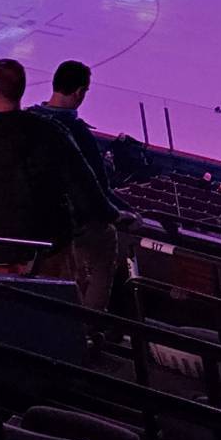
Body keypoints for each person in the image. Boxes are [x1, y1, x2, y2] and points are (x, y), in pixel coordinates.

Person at [0, 58, 117, 272]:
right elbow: (84, 186)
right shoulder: (51, 132)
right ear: (21, 91)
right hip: (43, 250)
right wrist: (110, 216)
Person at [33, 60, 132, 315]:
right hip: (72, 222)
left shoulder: (30, 119)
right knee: (105, 249)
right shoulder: (77, 132)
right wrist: (123, 212)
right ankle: (90, 322)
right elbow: (97, 186)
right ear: (79, 92)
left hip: (35, 217)